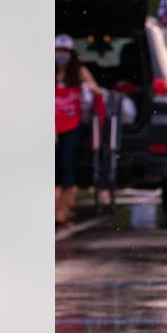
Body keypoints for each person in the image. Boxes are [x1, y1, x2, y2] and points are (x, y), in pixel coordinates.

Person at [55, 34, 102, 226]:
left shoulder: (79, 72)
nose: (61, 55)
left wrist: (90, 88)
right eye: (58, 51)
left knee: (67, 164)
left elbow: (97, 91)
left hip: (72, 124)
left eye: (65, 52)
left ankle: (64, 210)